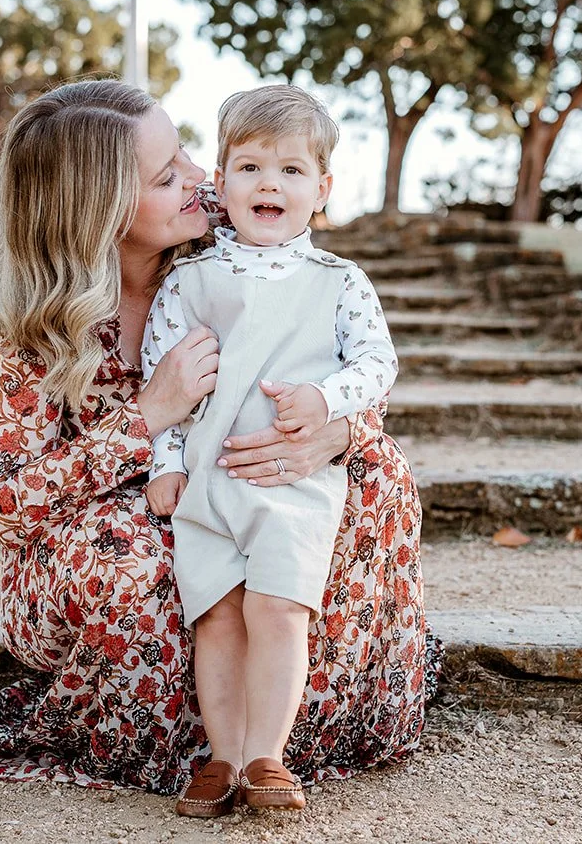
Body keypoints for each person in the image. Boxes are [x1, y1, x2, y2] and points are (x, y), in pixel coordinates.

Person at [0, 78, 438, 801]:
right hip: (99, 527)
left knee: (375, 472)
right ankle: (194, 747)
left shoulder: (233, 250)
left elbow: (342, 357)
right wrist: (148, 415)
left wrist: (333, 430)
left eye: (187, 153)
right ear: (99, 212)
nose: (202, 177)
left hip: (233, 480)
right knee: (151, 553)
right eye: (168, 176)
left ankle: (287, 736)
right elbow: (7, 500)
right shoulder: (34, 329)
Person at [140, 85, 399, 815]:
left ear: (321, 188)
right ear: (220, 184)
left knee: (280, 610)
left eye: (290, 170)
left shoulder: (339, 282)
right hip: (211, 480)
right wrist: (167, 464)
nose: (269, 184)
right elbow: (166, 384)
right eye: (249, 167)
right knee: (217, 615)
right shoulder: (190, 282)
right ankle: (220, 757)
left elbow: (379, 363)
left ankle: (267, 755)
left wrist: (330, 399)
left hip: (294, 483)